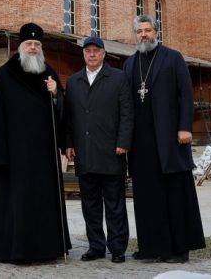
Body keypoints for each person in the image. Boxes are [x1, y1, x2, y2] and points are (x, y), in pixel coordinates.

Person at [0, 22, 70, 263]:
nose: (33, 48)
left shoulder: (49, 73)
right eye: (29, 44)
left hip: (43, 157)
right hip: (14, 156)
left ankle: (47, 249)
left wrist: (57, 95)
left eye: (37, 44)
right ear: (20, 47)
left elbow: (63, 113)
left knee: (42, 204)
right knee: (15, 204)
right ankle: (13, 249)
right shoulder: (5, 74)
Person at [123, 15, 205, 263]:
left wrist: (184, 127)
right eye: (139, 31)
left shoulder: (173, 58)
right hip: (141, 143)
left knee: (174, 194)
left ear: (156, 32)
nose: (143, 35)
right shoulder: (129, 63)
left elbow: (185, 94)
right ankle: (151, 247)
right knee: (148, 195)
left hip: (170, 138)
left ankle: (179, 249)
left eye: (148, 30)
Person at [64, 35, 133, 263]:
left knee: (115, 204)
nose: (92, 54)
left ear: (103, 53)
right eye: (88, 51)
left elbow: (127, 113)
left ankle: (117, 248)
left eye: (96, 50)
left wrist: (124, 141)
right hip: (85, 152)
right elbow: (69, 117)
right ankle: (96, 246)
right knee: (90, 205)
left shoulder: (118, 78)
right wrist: (69, 144)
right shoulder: (74, 81)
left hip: (112, 152)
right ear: (83, 54)